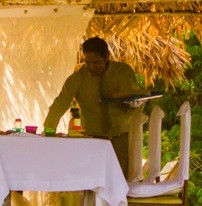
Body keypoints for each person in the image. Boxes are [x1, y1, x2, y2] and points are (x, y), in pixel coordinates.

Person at [43, 37, 144, 170]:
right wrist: (48, 133)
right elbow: (59, 105)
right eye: (87, 62)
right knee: (91, 180)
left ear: (107, 56)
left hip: (122, 139)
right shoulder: (77, 79)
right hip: (93, 140)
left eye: (96, 62)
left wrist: (136, 104)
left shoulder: (123, 72)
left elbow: (136, 96)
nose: (91, 67)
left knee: (121, 181)